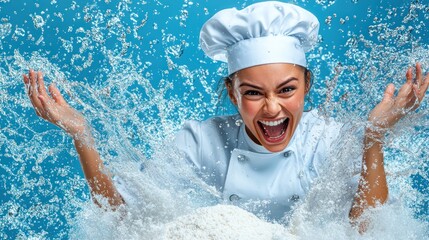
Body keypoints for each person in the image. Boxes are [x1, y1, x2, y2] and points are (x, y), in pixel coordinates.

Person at [23, 1, 428, 231]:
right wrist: (82, 135)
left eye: (287, 90)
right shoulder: (197, 142)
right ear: (233, 95)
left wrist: (374, 137)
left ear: (306, 87)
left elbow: (366, 230)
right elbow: (126, 219)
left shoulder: (329, 140)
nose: (272, 109)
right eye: (253, 93)